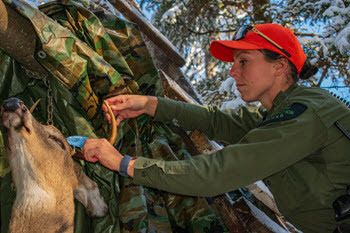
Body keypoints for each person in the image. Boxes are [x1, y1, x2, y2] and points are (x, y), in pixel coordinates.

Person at [82, 23, 350, 233]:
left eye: (243, 61)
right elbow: (216, 121)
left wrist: (123, 163)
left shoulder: (304, 114)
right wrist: (150, 105)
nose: (233, 72)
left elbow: (217, 173)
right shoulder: (280, 113)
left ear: (279, 66)